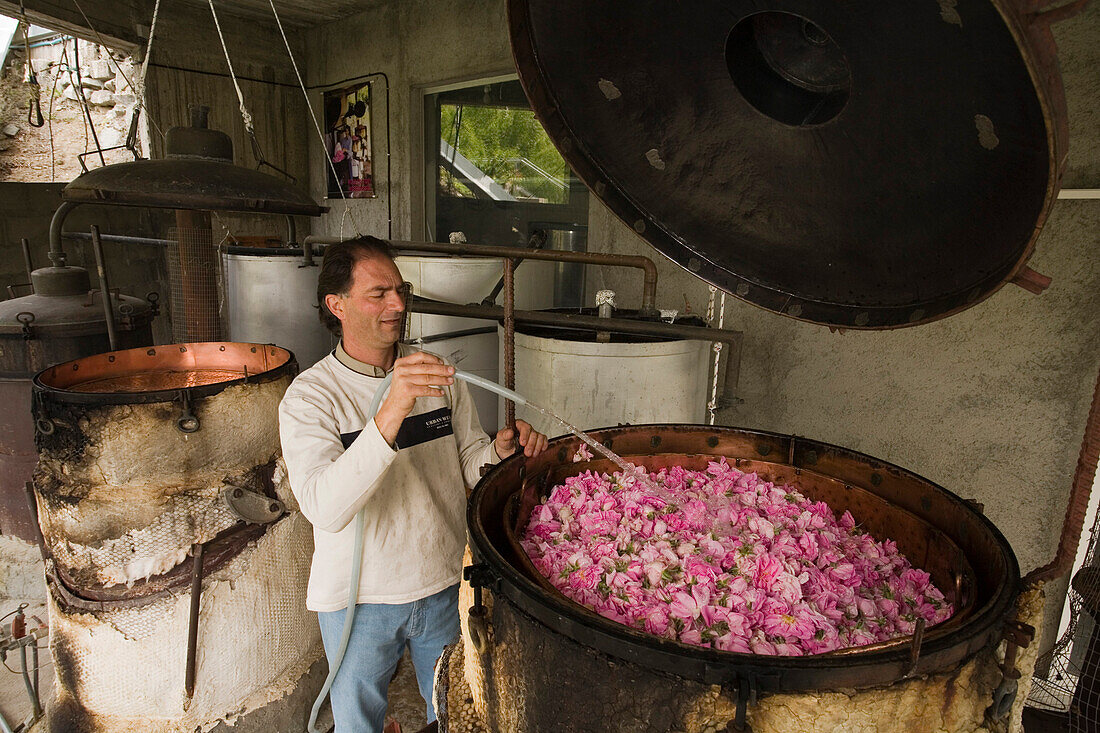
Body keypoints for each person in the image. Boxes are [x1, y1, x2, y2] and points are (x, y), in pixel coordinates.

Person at [278, 236, 548, 732]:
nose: (399, 305)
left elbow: (469, 463)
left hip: (444, 580)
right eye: (378, 293)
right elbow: (326, 507)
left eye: (400, 290)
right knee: (358, 724)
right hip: (360, 601)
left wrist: (501, 455)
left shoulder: (436, 374)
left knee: (454, 715)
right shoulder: (310, 396)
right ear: (335, 305)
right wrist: (392, 410)